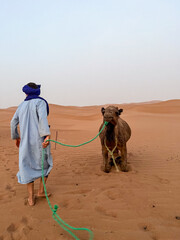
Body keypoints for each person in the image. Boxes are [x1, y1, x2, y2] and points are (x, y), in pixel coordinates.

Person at [11, 82, 53, 206]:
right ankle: (40, 191)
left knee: (26, 167)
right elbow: (42, 119)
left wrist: (16, 137)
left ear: (26, 92)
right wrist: (47, 136)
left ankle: (31, 198)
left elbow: (13, 122)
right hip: (40, 141)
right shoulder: (40, 102)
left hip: (25, 143)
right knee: (45, 165)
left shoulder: (21, 105)